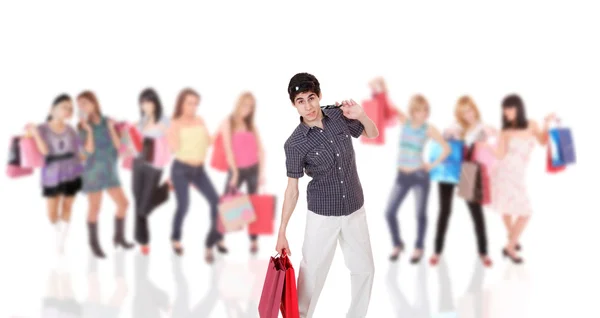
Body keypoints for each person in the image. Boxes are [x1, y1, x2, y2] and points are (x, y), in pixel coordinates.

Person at [275, 73, 379, 318]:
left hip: (354, 208)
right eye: (301, 101)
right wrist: (282, 231)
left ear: (319, 95)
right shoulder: (295, 143)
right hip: (322, 215)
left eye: (311, 97)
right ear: (294, 104)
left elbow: (372, 134)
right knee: (311, 274)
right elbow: (292, 190)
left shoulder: (339, 116)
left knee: (365, 270)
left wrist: (362, 115)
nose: (308, 106)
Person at [486, 94, 555, 263]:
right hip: (503, 173)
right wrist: (488, 144)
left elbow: (542, 141)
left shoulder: (531, 124)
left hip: (518, 175)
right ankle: (510, 246)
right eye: (504, 109)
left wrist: (546, 123)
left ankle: (511, 239)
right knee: (512, 208)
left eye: (509, 108)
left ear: (518, 107)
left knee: (523, 211)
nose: (506, 112)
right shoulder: (505, 131)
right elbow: (500, 155)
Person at [429, 96, 494, 267]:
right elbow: (441, 138)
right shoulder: (454, 126)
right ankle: (437, 251)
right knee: (444, 210)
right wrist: (448, 134)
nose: (468, 115)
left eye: (470, 110)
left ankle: (483, 252)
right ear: (459, 114)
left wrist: (488, 136)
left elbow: (489, 145)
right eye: (464, 112)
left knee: (475, 211)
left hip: (468, 170)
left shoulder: (482, 128)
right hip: (449, 169)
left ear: (475, 109)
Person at [385, 94, 450, 263]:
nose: (423, 114)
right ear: (413, 111)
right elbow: (389, 104)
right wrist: (382, 88)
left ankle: (419, 247)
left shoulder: (429, 129)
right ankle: (397, 244)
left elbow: (446, 148)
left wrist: (431, 164)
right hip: (402, 175)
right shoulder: (405, 122)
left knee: (420, 213)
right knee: (389, 212)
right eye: (419, 111)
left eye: (425, 111)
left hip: (419, 175)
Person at [167, 88, 225, 263]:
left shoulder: (200, 120)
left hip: (199, 170)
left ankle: (214, 237)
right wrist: (168, 131)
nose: (193, 107)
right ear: (181, 104)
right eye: (189, 103)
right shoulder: (175, 123)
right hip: (181, 169)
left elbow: (208, 142)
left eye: (195, 103)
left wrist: (222, 128)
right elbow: (173, 149)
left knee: (216, 201)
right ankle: (175, 238)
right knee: (184, 206)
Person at [77, 91, 133, 258]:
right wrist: (88, 130)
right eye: (79, 104)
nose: (82, 107)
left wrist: (111, 128)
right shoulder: (81, 127)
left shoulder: (108, 121)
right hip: (93, 170)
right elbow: (88, 151)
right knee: (95, 208)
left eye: (85, 103)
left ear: (94, 103)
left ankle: (119, 237)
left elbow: (119, 147)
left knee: (123, 204)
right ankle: (94, 244)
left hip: (110, 169)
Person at [26, 94, 84, 254]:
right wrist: (34, 133)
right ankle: (59, 231)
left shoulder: (71, 130)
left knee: (67, 206)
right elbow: (44, 151)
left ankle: (61, 242)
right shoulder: (42, 129)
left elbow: (80, 152)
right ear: (53, 109)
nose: (68, 110)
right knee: (51, 214)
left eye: (70, 108)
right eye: (64, 106)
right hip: (52, 174)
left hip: (72, 171)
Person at [219, 91, 266, 254]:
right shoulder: (228, 122)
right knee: (228, 203)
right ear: (239, 104)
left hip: (253, 168)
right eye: (245, 105)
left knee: (253, 204)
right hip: (236, 170)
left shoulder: (251, 125)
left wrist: (261, 173)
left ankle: (253, 241)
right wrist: (235, 173)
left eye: (251, 107)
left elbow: (261, 150)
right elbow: (228, 149)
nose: (247, 109)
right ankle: (220, 239)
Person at [131, 88, 171, 256]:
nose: (145, 105)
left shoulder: (164, 119)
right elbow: (134, 139)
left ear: (155, 103)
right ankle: (143, 241)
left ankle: (165, 190)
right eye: (142, 102)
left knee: (143, 207)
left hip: (154, 166)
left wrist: (141, 127)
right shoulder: (142, 120)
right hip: (139, 163)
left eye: (148, 101)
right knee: (138, 200)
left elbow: (159, 133)